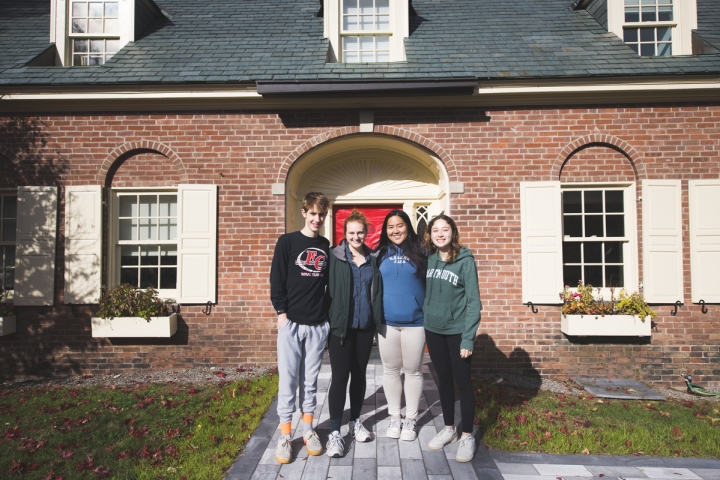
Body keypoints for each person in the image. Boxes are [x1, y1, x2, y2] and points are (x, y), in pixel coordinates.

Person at [270, 192, 331, 464]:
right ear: (304, 212)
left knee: (310, 382)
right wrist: (281, 313)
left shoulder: (326, 245)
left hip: (317, 324)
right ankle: (285, 435)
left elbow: (327, 284)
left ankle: (307, 430)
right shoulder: (287, 242)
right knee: (288, 380)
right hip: (291, 323)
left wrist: (327, 316)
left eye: (322, 215)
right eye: (313, 213)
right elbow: (277, 279)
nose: (317, 219)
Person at [422, 214, 482, 463]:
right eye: (435, 230)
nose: (439, 234)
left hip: (457, 332)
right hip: (433, 330)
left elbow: (473, 302)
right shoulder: (430, 259)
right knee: (443, 381)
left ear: (453, 232)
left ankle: (466, 435)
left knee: (463, 383)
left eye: (444, 229)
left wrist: (468, 338)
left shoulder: (465, 261)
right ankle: (449, 429)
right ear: (430, 235)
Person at [325, 209, 383, 458]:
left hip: (364, 329)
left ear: (366, 233)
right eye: (351, 232)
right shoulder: (334, 257)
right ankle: (334, 432)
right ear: (344, 234)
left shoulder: (374, 259)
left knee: (359, 377)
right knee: (339, 378)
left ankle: (355, 421)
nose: (356, 236)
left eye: (360, 232)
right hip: (340, 329)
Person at [376, 209, 427, 441]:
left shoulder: (422, 252)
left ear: (408, 226)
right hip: (387, 323)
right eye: (390, 227)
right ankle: (395, 416)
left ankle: (411, 419)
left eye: (400, 225)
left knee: (413, 371)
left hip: (415, 322)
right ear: (386, 231)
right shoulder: (380, 253)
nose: (395, 230)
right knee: (391, 370)